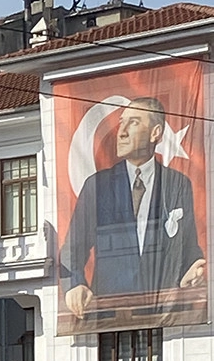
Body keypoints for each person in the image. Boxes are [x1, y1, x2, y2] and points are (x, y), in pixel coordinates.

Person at [61, 96, 205, 319]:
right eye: (122, 122)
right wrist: (74, 284)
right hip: (109, 314)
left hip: (164, 311)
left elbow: (188, 247)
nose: (122, 132)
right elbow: (72, 249)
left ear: (155, 133)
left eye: (134, 122)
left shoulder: (177, 184)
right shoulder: (98, 186)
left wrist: (194, 268)